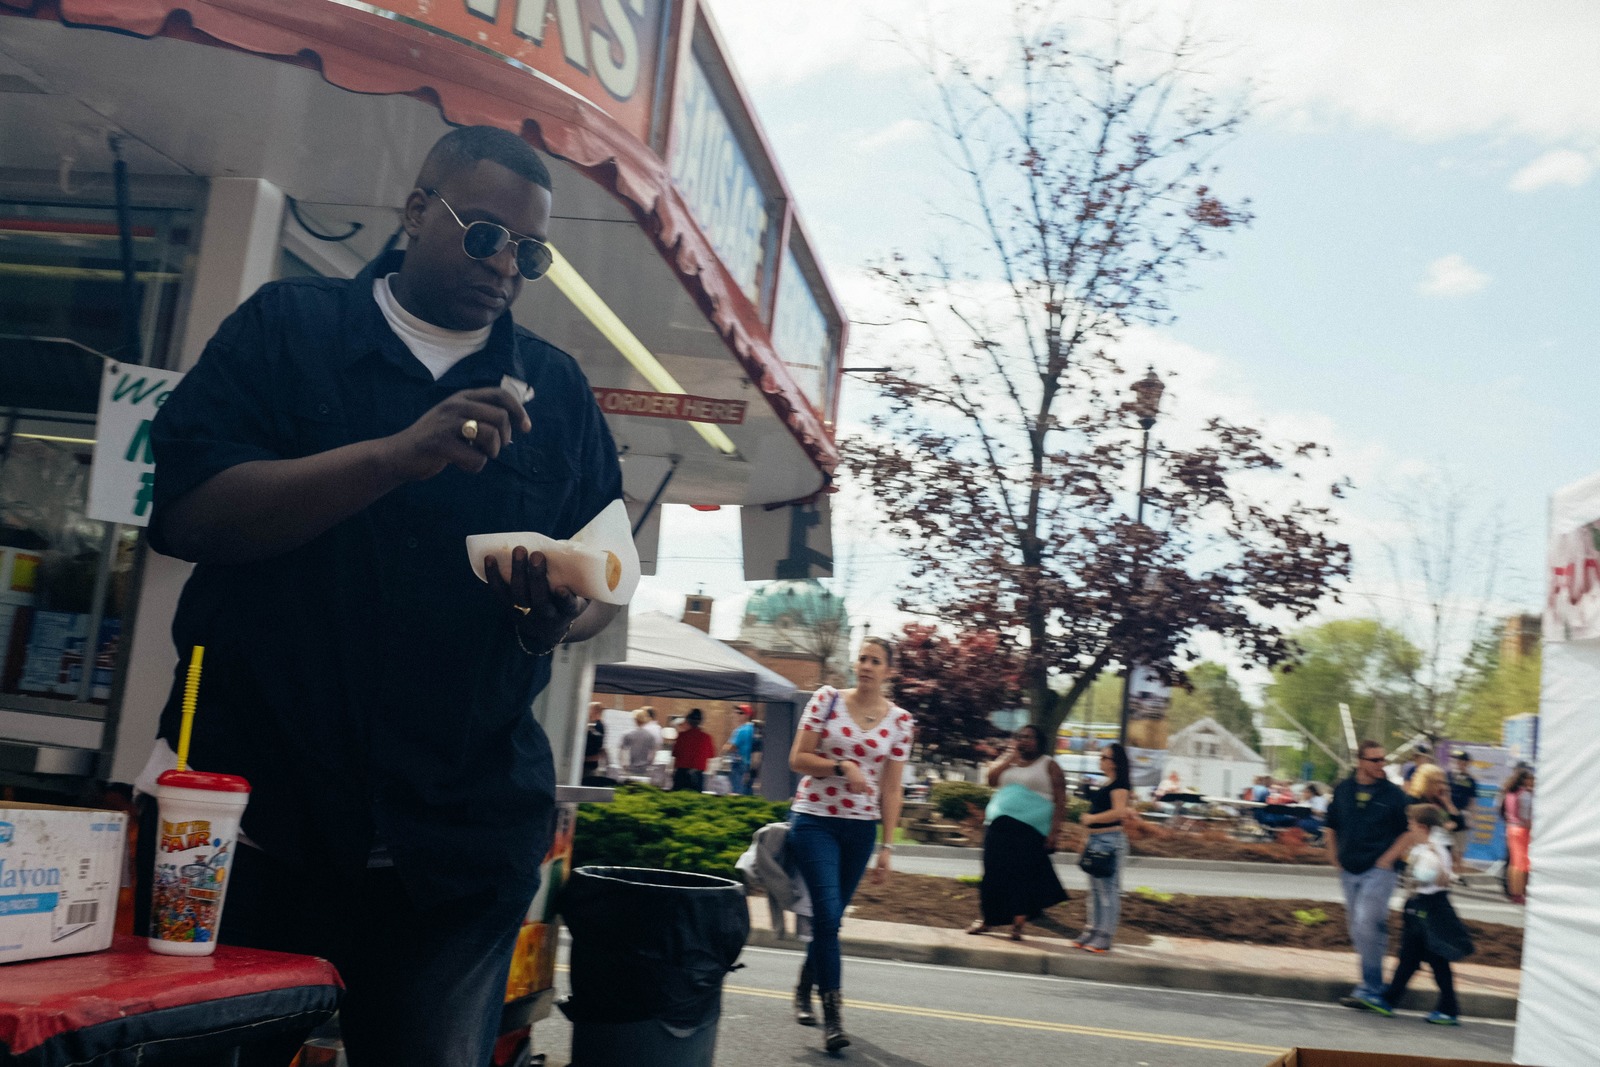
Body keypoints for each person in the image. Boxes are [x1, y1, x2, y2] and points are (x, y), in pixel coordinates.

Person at [146, 126, 622, 1067]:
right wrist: (395, 458)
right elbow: (189, 516)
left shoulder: (557, 394)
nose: (507, 268)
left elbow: (605, 567)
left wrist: (565, 610)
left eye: (529, 253)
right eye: (484, 234)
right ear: (415, 210)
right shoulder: (288, 329)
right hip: (255, 828)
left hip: (455, 845)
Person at [786, 637, 913, 1052]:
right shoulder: (826, 700)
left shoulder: (901, 722)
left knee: (830, 920)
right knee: (826, 913)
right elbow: (798, 759)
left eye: (876, 661)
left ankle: (805, 987)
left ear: (889, 670)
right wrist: (841, 766)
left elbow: (892, 790)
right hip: (814, 819)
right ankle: (834, 1019)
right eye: (862, 658)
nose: (866, 666)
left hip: (860, 830)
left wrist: (888, 848)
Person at [1325, 739, 1412, 1015]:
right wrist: (1333, 857)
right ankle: (1370, 986)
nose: (1380, 765)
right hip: (1349, 868)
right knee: (1360, 929)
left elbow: (1408, 831)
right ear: (1360, 762)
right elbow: (1331, 825)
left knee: (1366, 923)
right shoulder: (1343, 789)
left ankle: (1371, 990)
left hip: (1379, 870)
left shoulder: (1393, 795)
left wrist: (1388, 859)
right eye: (1374, 760)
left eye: (1383, 759)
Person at [967, 724, 1068, 941]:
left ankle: (1018, 923)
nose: (1024, 741)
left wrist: (1054, 832)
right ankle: (988, 919)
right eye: (1020, 737)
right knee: (992, 873)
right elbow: (991, 781)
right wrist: (1008, 761)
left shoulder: (1049, 765)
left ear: (1039, 741)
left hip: (1029, 830)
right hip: (998, 825)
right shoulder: (1009, 762)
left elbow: (1061, 801)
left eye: (1029, 737)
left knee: (1021, 875)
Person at [1379, 803, 1472, 1025]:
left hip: (1428, 909)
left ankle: (1449, 1009)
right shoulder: (1425, 847)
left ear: (1421, 826)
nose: (1408, 827)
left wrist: (1417, 875)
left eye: (1410, 823)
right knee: (1410, 958)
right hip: (1421, 908)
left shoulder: (1433, 850)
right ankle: (1388, 1000)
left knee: (1436, 960)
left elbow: (1426, 876)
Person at [1075, 742, 1132, 954]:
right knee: (1095, 892)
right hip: (1096, 840)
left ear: (1115, 763)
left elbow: (1119, 812)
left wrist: (1091, 818)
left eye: (1104, 757)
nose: (1101, 760)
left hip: (1110, 841)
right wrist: (1085, 837)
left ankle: (1105, 935)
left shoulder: (1119, 786)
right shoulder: (1108, 784)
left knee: (1108, 891)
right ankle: (1093, 929)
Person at [1406, 764, 1463, 861]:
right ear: (1426, 782)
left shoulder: (1441, 801)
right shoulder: (1413, 800)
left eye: (1444, 782)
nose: (1442, 786)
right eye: (1437, 782)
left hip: (1441, 852)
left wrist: (1448, 802)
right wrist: (1443, 825)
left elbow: (1460, 825)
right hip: (1421, 853)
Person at [1500, 766, 1535, 904]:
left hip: (1511, 828)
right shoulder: (1525, 795)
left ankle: (1513, 892)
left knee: (1514, 862)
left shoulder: (1510, 792)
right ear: (1525, 780)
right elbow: (1526, 816)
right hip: (1522, 829)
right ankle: (1520, 892)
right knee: (1522, 864)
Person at [1446, 750, 1478, 869]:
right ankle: (1448, 871)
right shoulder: (1447, 776)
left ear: (1467, 763)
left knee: (1460, 846)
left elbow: (1472, 801)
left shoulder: (1470, 780)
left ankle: (1457, 870)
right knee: (1447, 845)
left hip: (1462, 815)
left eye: (1462, 761)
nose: (1458, 763)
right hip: (1447, 814)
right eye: (1456, 760)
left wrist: (1471, 818)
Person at [672, 708, 715, 791]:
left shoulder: (682, 736)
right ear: (701, 721)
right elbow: (711, 755)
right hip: (697, 774)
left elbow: (675, 753)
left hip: (681, 774)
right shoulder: (707, 738)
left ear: (688, 720)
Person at [723, 704, 758, 795]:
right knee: (747, 791)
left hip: (739, 765)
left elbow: (732, 747)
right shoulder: (754, 729)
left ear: (747, 715)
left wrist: (725, 747)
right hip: (750, 766)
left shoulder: (741, 730)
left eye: (740, 713)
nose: (737, 715)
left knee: (737, 791)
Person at [580, 701, 613, 785]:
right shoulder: (598, 725)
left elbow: (596, 745)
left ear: (594, 711)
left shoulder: (597, 726)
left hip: (588, 764)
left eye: (589, 709)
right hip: (590, 763)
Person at [619, 708, 659, 775]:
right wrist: (649, 764)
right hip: (645, 768)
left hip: (630, 768)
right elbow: (652, 754)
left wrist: (624, 766)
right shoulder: (650, 736)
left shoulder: (628, 735)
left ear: (635, 720)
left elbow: (623, 752)